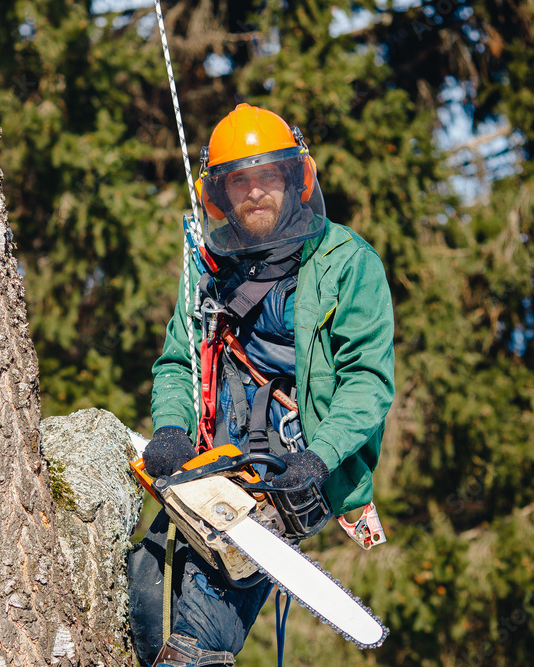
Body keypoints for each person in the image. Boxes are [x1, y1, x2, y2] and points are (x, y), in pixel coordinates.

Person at [128, 103, 395, 667]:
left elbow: (367, 383)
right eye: (240, 181)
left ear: (298, 182)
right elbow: (179, 359)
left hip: (297, 463)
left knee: (212, 605)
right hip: (214, 450)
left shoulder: (348, 263)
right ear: (219, 195)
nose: (254, 193)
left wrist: (318, 459)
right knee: (146, 582)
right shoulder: (208, 268)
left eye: (268, 177)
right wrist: (173, 430)